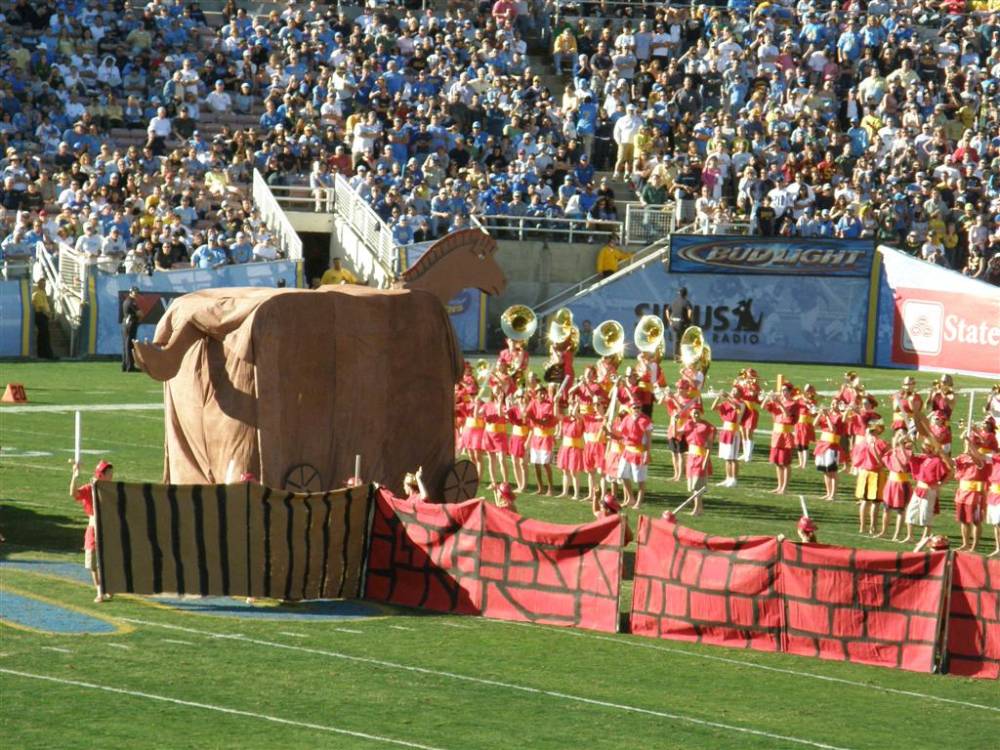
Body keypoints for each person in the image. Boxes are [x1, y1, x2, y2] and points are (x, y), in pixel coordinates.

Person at [70, 459, 113, 602]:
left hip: (107, 528)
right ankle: (100, 591)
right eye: (109, 473)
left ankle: (109, 587)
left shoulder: (110, 490)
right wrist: (74, 477)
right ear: (102, 474)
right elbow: (74, 494)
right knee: (93, 564)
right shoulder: (90, 489)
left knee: (107, 561)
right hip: (93, 529)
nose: (111, 475)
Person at [852, 419, 888, 535]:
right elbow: (884, 461)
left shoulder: (861, 443)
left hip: (864, 473)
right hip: (876, 473)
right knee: (875, 502)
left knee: (864, 501)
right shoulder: (881, 443)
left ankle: (862, 527)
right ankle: (872, 527)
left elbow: (855, 459)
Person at [712, 388, 744, 488]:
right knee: (727, 457)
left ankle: (734, 479)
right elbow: (713, 408)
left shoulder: (741, 404)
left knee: (733, 458)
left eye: (736, 391)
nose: (733, 392)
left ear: (740, 393)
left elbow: (736, 407)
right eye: (732, 390)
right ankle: (728, 478)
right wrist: (718, 397)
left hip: (733, 431)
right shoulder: (727, 403)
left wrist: (727, 397)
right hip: (725, 430)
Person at [31, 278, 55, 360]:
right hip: (41, 315)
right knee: (44, 335)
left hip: (43, 315)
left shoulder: (42, 293)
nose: (44, 286)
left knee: (43, 335)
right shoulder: (37, 294)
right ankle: (48, 354)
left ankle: (43, 354)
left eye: (45, 284)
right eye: (42, 284)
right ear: (39, 284)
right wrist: (48, 315)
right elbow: (41, 307)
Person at [668, 287, 693, 360]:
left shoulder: (674, 301)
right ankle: (683, 357)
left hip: (674, 323)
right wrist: (688, 319)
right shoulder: (686, 302)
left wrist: (669, 320)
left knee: (676, 340)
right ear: (686, 294)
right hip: (682, 323)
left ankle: (676, 357)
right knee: (684, 340)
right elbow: (690, 310)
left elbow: (667, 310)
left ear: (679, 293)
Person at [121, 286, 140, 372]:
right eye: (135, 292)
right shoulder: (131, 302)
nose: (136, 294)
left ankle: (125, 365)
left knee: (125, 345)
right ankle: (130, 366)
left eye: (137, 292)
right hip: (130, 324)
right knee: (129, 345)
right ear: (131, 292)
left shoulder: (126, 301)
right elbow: (140, 313)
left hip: (126, 324)